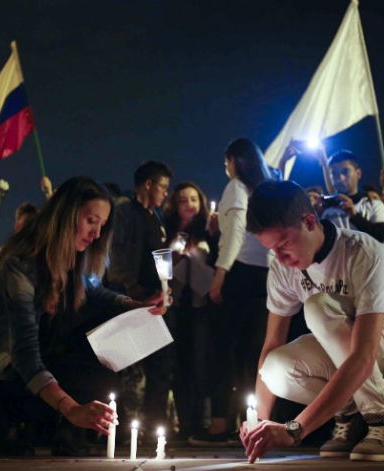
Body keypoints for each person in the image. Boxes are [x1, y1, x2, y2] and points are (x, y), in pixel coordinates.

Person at [240, 180, 384, 463]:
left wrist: (294, 430)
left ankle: (383, 422)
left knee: (319, 307)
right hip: (363, 359)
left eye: (284, 244)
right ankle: (350, 417)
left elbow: (363, 355)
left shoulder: (363, 252)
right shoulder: (281, 267)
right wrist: (258, 423)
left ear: (310, 222)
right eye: (271, 249)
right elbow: (272, 343)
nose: (281, 258)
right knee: (274, 369)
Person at [0, 176, 167, 456]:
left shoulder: (75, 259)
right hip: (5, 370)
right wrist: (71, 407)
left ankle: (58, 428)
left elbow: (96, 292)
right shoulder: (22, 267)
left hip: (44, 355)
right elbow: (25, 353)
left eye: (102, 225)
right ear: (66, 215)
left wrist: (138, 306)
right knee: (74, 373)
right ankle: (5, 416)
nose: (96, 234)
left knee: (104, 362)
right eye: (91, 221)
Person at [189, 138, 273, 445]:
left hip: (239, 275)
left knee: (221, 352)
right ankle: (255, 424)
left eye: (226, 162)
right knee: (253, 355)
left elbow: (236, 233)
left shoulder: (237, 187)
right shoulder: (265, 188)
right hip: (264, 277)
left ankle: (220, 427)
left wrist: (220, 275)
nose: (226, 169)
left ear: (235, 161)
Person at [106, 160, 175, 433]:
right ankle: (121, 427)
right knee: (127, 368)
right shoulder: (124, 211)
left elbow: (160, 258)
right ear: (148, 184)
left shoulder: (156, 218)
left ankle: (153, 425)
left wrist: (166, 288)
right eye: (163, 187)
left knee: (160, 366)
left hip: (154, 301)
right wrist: (130, 286)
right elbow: (116, 252)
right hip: (130, 300)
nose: (165, 193)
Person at [162, 181, 217, 438]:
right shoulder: (167, 230)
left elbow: (217, 261)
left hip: (202, 308)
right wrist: (175, 256)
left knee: (201, 364)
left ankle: (201, 422)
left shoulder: (208, 228)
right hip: (176, 307)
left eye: (194, 199)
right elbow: (161, 266)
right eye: (183, 200)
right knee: (179, 365)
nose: (189, 205)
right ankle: (184, 423)